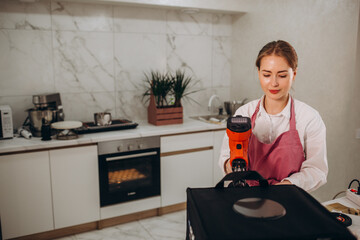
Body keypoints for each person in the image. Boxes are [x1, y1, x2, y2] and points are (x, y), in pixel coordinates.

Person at [219, 40, 328, 192]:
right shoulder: (244, 114)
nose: (274, 83)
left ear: (294, 74)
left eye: (282, 75)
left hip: (290, 198)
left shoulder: (309, 118)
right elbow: (225, 156)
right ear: (258, 73)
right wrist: (233, 167)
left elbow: (317, 171)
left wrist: (283, 188)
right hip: (247, 197)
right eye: (267, 75)